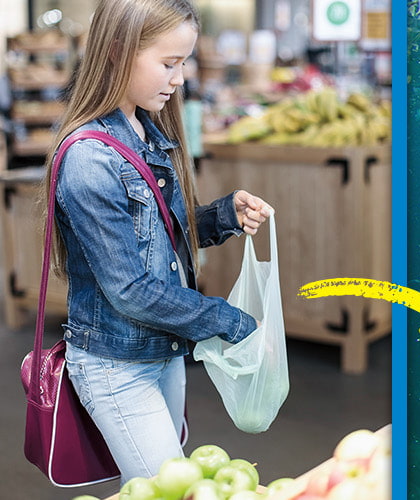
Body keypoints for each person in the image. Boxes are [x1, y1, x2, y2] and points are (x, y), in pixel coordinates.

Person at [41, 0, 273, 484]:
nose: (180, 77)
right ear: (118, 53)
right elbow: (131, 289)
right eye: (169, 63)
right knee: (172, 491)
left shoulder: (143, 132)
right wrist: (230, 321)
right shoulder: (90, 159)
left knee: (156, 488)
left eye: (183, 62)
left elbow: (158, 237)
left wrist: (222, 215)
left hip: (160, 353)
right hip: (116, 367)